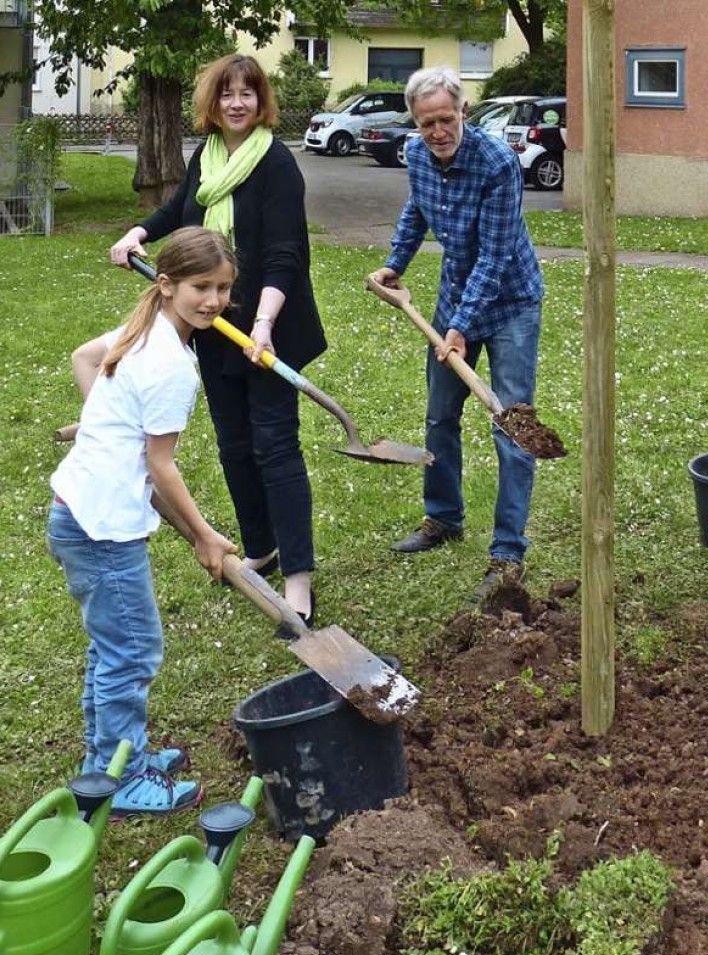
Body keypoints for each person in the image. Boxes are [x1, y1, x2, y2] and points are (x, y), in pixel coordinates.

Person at [108, 54, 326, 632]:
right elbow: (180, 210)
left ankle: (298, 576)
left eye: (247, 94)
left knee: (275, 447)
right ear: (214, 100)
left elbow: (286, 254)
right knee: (234, 444)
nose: (236, 103)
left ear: (261, 101)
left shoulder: (276, 165)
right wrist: (139, 232)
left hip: (269, 329)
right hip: (215, 325)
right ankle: (262, 546)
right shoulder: (207, 157)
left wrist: (263, 325)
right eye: (227, 93)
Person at [50, 227, 239, 815]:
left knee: (112, 647)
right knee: (131, 651)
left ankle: (107, 757)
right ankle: (123, 776)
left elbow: (84, 356)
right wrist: (206, 537)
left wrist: (102, 422)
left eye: (224, 288)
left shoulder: (146, 328)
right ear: (166, 286)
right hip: (102, 526)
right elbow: (161, 468)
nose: (212, 301)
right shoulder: (171, 366)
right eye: (200, 287)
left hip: (78, 511)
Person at [367, 65, 544, 601]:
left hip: (510, 301)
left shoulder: (497, 163)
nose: (438, 133)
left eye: (446, 119)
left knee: (511, 422)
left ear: (463, 112)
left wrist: (461, 328)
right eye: (427, 124)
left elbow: (494, 257)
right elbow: (416, 211)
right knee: (441, 414)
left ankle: (507, 551)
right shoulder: (418, 155)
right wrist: (396, 263)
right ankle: (443, 518)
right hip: (452, 301)